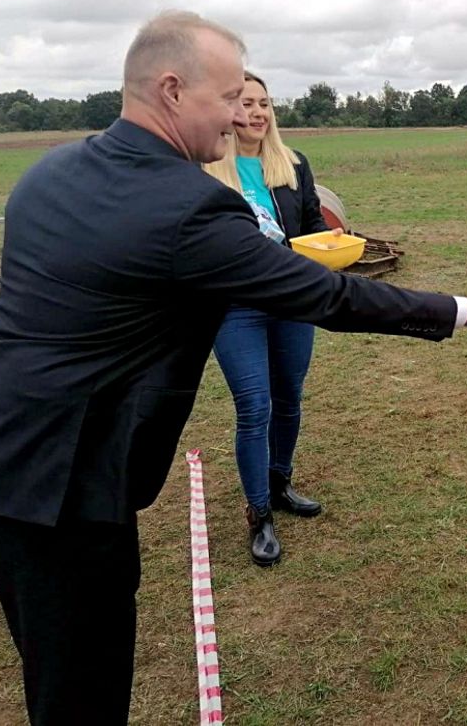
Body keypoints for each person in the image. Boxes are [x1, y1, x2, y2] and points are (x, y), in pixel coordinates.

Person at [0, 10, 467, 726]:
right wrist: (463, 308)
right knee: (81, 685)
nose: (240, 113)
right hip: (61, 481)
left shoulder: (51, 172)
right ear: (173, 90)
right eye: (228, 95)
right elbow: (323, 294)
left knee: (52, 659)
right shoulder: (188, 206)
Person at [203, 71, 334, 566]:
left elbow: (314, 228)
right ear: (225, 110)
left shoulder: (293, 164)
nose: (255, 112)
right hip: (235, 307)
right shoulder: (206, 167)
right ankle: (258, 512)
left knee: (290, 396)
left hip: (292, 301)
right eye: (243, 102)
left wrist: (335, 249)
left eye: (263, 103)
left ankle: (280, 483)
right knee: (254, 406)